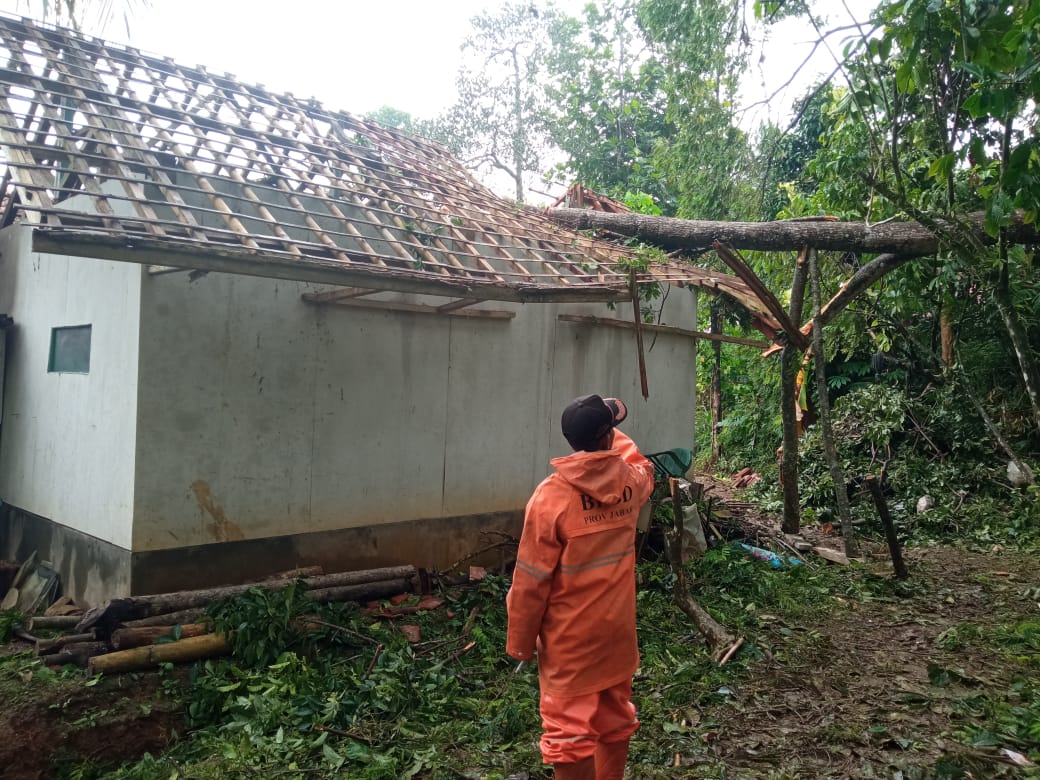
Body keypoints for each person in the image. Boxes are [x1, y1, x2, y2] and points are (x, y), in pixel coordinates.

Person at [506, 393, 655, 780]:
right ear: (609, 436)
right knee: (615, 719)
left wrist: (521, 644)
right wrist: (610, 436)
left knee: (568, 736)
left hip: (571, 646)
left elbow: (529, 583)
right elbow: (642, 468)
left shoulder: (550, 498)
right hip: (618, 637)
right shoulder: (631, 484)